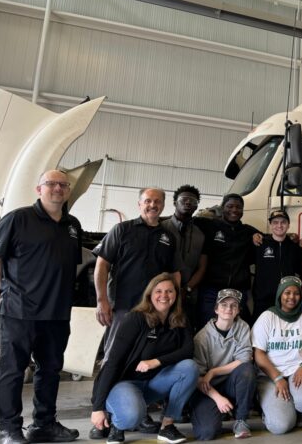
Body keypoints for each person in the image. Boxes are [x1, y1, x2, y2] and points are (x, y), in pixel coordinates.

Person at [0, 170, 83, 444]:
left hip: (57, 313)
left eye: (63, 185)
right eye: (51, 184)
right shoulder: (17, 219)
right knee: (12, 370)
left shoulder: (73, 225)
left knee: (50, 370)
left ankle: (44, 425)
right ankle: (9, 430)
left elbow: (68, 266)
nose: (58, 188)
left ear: (68, 190)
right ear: (39, 189)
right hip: (19, 311)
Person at [90, 273, 197, 444]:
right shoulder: (135, 318)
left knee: (189, 367)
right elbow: (113, 362)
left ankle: (167, 426)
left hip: (154, 383)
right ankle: (117, 423)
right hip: (125, 383)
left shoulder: (179, 318)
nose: (164, 295)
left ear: (176, 295)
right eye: (158, 291)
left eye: (169, 291)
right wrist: (97, 407)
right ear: (149, 295)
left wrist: (155, 362)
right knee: (132, 417)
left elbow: (188, 350)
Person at [94, 188, 178, 363]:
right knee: (113, 357)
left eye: (157, 201)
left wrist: (172, 305)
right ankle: (105, 382)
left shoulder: (168, 237)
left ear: (163, 205)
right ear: (139, 204)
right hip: (122, 306)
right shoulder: (122, 230)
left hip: (153, 308)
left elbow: (173, 274)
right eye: (148, 201)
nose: (152, 205)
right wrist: (102, 300)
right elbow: (102, 265)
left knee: (143, 357)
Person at [252, 276, 302, 435]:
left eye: (296, 293)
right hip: (271, 376)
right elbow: (259, 354)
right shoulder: (267, 317)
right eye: (287, 292)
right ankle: (270, 410)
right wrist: (277, 378)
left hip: (299, 371)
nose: (292, 297)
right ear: (280, 295)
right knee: (280, 426)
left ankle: (297, 408)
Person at [190, 289, 256, 440]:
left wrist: (213, 372)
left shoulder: (243, 327)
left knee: (247, 370)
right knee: (206, 433)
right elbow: (198, 378)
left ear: (238, 310)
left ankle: (241, 420)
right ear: (216, 309)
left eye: (234, 305)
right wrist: (218, 398)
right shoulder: (202, 337)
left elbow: (245, 359)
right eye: (224, 304)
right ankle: (214, 413)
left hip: (231, 384)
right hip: (208, 389)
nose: (228, 308)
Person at [196, 194, 261, 328]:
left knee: (236, 329)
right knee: (207, 328)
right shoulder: (209, 225)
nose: (234, 210)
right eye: (230, 206)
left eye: (238, 207)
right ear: (222, 208)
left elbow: (271, 238)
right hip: (212, 290)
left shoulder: (248, 231)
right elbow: (182, 220)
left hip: (237, 290)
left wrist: (293, 237)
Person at [161, 185, 206, 325]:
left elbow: (202, 267)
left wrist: (187, 289)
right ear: (175, 203)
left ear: (196, 206)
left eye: (192, 201)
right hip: (161, 295)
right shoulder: (160, 228)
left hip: (188, 296)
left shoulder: (200, 234)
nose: (188, 202)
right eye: (184, 199)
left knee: (185, 331)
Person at [252, 210, 302, 320]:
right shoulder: (260, 244)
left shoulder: (294, 247)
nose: (279, 225)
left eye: (283, 222)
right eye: (275, 222)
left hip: (286, 300)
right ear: (270, 225)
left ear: (288, 225)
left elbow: (301, 270)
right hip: (263, 300)